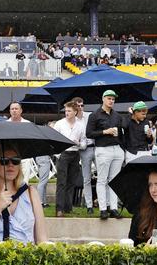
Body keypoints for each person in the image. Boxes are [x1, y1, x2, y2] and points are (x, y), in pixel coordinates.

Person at [0, 144, 47, 244]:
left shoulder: (31, 193)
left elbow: (42, 239)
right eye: (4, 161)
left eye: (16, 160)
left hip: (26, 257)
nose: (11, 165)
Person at [86, 90, 124, 220]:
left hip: (116, 148)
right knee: (102, 180)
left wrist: (119, 136)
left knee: (114, 181)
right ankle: (103, 209)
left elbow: (122, 132)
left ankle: (113, 208)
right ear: (103, 99)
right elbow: (89, 133)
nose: (111, 101)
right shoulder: (94, 115)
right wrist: (104, 131)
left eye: (113, 99)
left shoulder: (117, 116)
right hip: (103, 149)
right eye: (109, 98)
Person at [53, 102, 85, 217]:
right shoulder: (60, 124)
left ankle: (68, 207)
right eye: (66, 111)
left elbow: (84, 143)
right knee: (61, 182)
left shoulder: (80, 125)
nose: (67, 113)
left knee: (71, 182)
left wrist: (79, 144)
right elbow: (54, 140)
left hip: (75, 153)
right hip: (63, 154)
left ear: (75, 112)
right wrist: (58, 154)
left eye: (69, 111)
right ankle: (59, 209)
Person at [74, 97, 96, 214]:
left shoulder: (89, 115)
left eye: (82, 105)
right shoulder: (73, 120)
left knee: (104, 177)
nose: (80, 108)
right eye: (78, 106)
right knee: (86, 178)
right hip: (84, 149)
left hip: (96, 147)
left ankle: (107, 204)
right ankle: (89, 205)